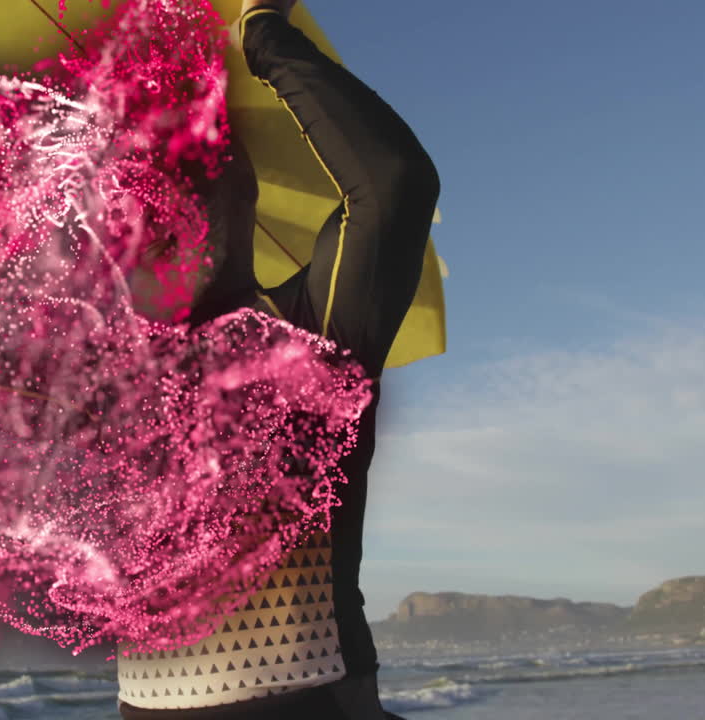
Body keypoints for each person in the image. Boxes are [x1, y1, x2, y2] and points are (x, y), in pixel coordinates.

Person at [116, 1, 439, 718]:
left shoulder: (304, 327)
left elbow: (392, 186)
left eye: (189, 175)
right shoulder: (109, 367)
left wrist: (265, 32)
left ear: (240, 196)